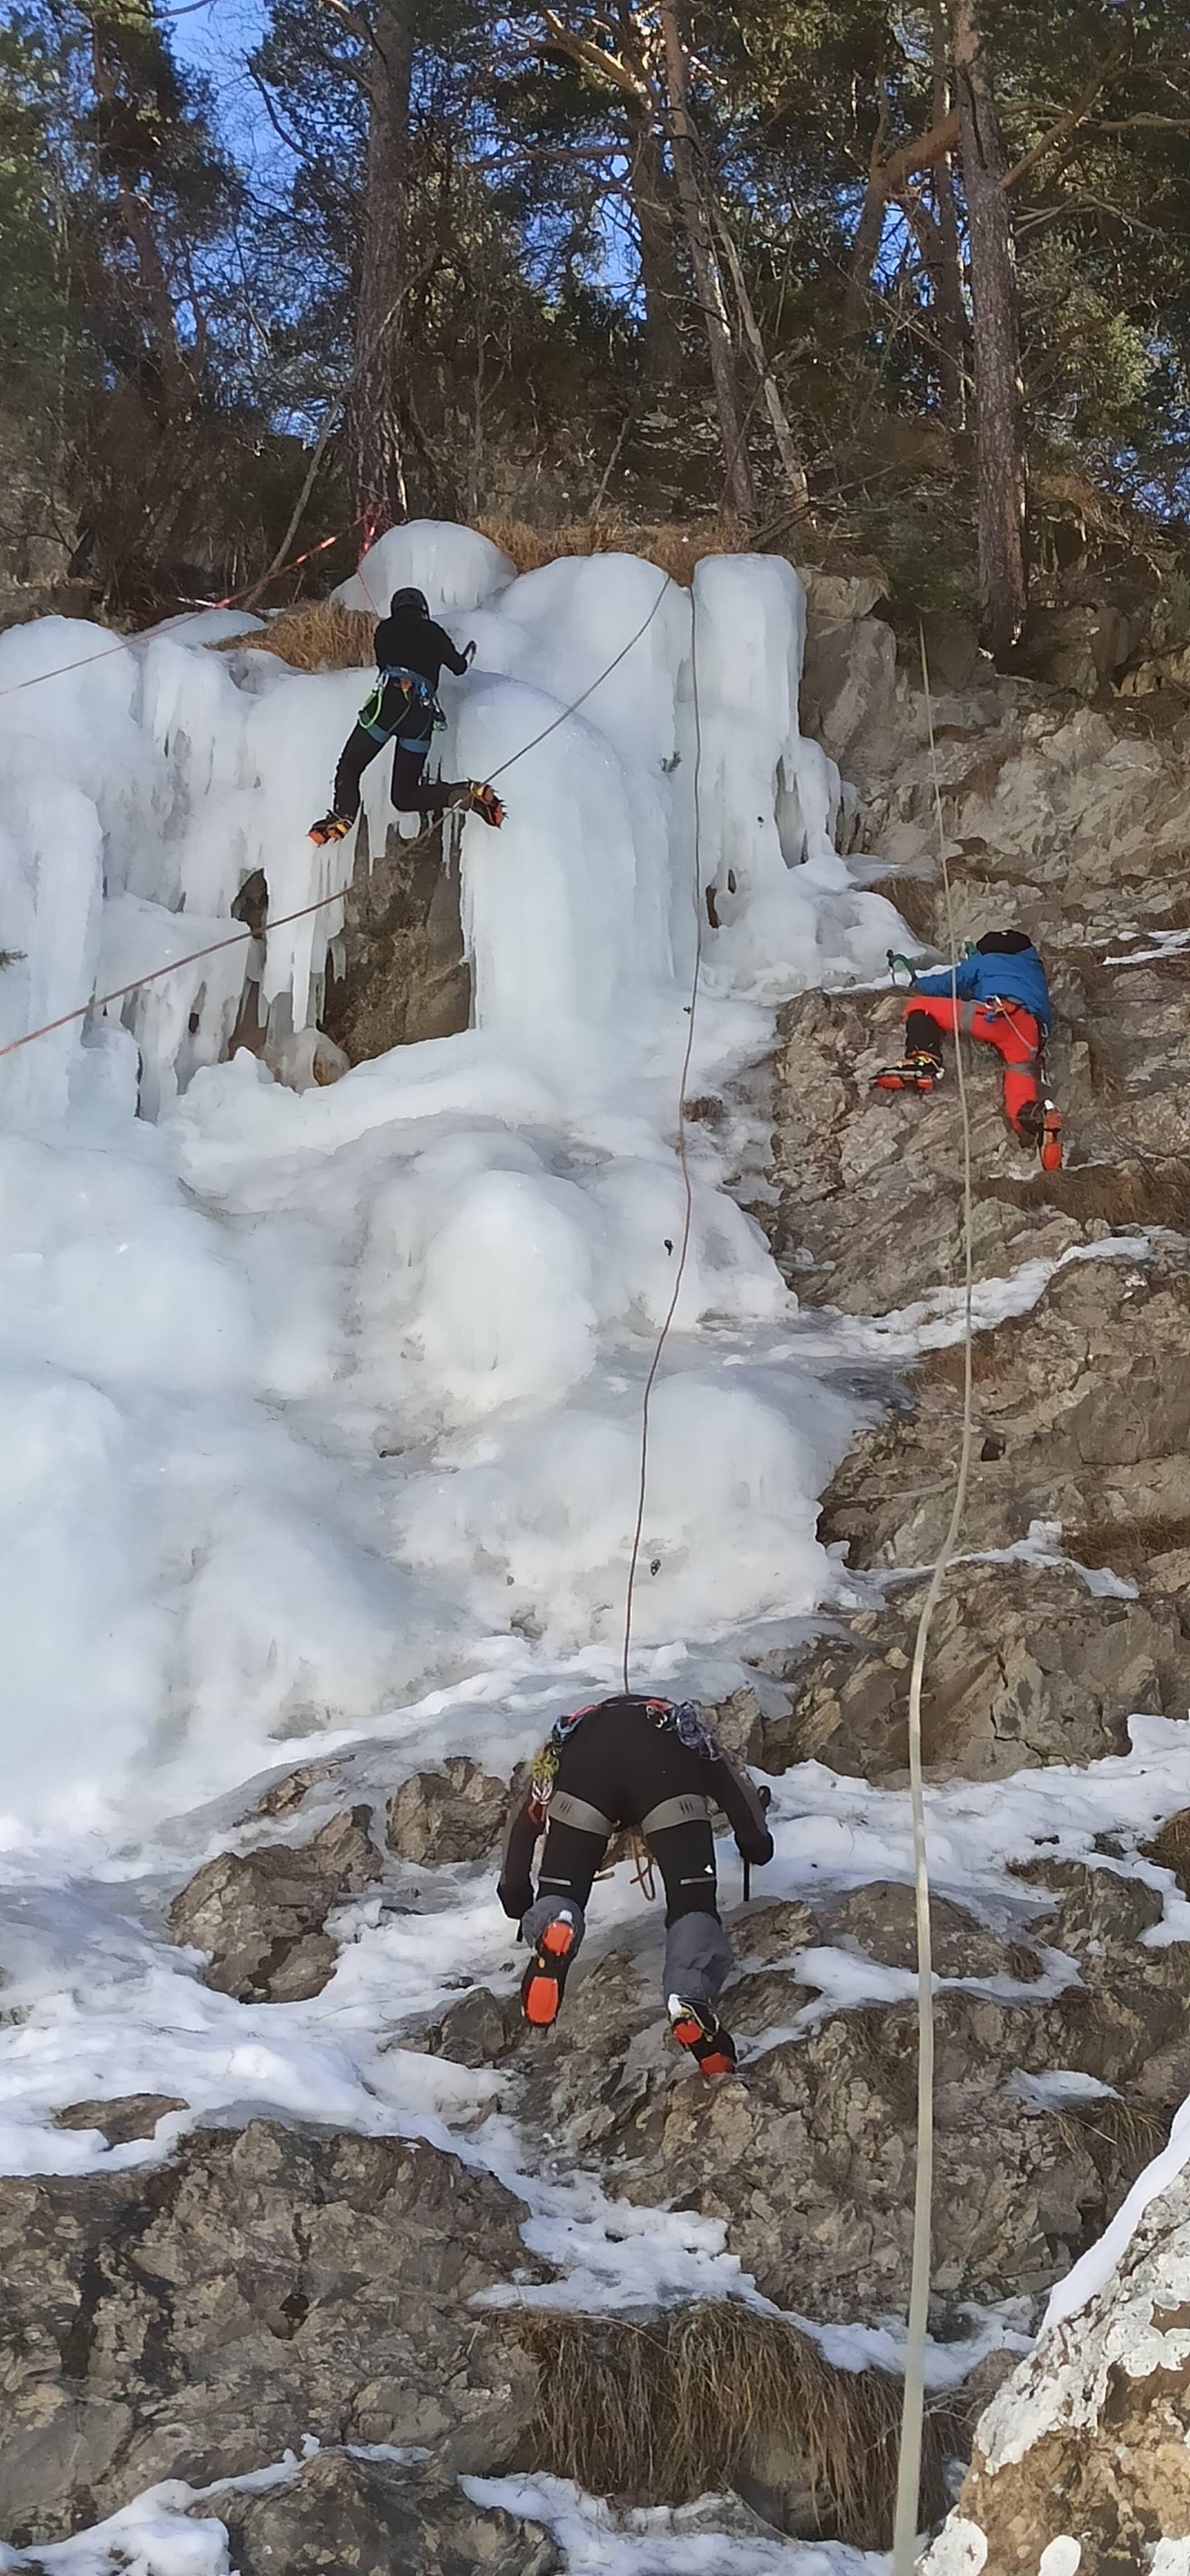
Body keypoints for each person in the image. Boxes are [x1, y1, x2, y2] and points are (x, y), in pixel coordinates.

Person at [498, 1692, 774, 2077]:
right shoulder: (682, 1730)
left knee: (561, 1892)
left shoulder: (571, 1734)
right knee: (692, 1904)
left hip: (585, 1774)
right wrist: (757, 1845)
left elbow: (524, 1817)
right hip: (667, 1773)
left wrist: (515, 1896)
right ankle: (689, 1995)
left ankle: (554, 1921)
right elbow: (734, 1792)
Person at [309, 586, 504, 845]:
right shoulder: (434, 631)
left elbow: (383, 664)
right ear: (423, 610)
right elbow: (458, 668)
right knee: (404, 796)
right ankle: (468, 794)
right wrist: (463, 657)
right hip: (421, 716)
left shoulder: (385, 630)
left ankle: (342, 816)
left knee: (350, 766)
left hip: (389, 704)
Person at [874, 928, 1062, 1168]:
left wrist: (917, 983)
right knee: (1019, 1100)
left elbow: (951, 983)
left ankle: (924, 1060)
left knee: (920, 1006)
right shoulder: (1033, 968)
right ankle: (1039, 1123)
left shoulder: (984, 962)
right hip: (1030, 1033)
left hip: (997, 1017)